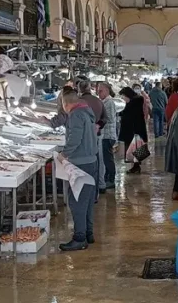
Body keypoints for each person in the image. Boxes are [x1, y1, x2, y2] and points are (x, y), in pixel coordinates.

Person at [58, 90, 99, 251]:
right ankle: (88, 233)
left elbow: (75, 138)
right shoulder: (87, 113)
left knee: (77, 203)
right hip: (91, 161)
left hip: (80, 164)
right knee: (87, 201)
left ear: (66, 104)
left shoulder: (76, 115)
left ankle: (79, 238)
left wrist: (64, 154)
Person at [117, 86, 148, 174]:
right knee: (133, 149)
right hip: (133, 130)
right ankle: (135, 167)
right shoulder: (134, 102)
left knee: (134, 148)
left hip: (134, 130)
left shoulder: (135, 102)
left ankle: (136, 167)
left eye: (123, 96)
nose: (122, 98)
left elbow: (129, 115)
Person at [97, 82, 118, 191]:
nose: (98, 93)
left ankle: (111, 179)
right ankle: (107, 178)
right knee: (106, 158)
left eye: (100, 91)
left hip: (108, 135)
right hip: (105, 135)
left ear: (106, 91)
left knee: (108, 159)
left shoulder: (109, 102)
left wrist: (98, 120)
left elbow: (109, 118)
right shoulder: (104, 102)